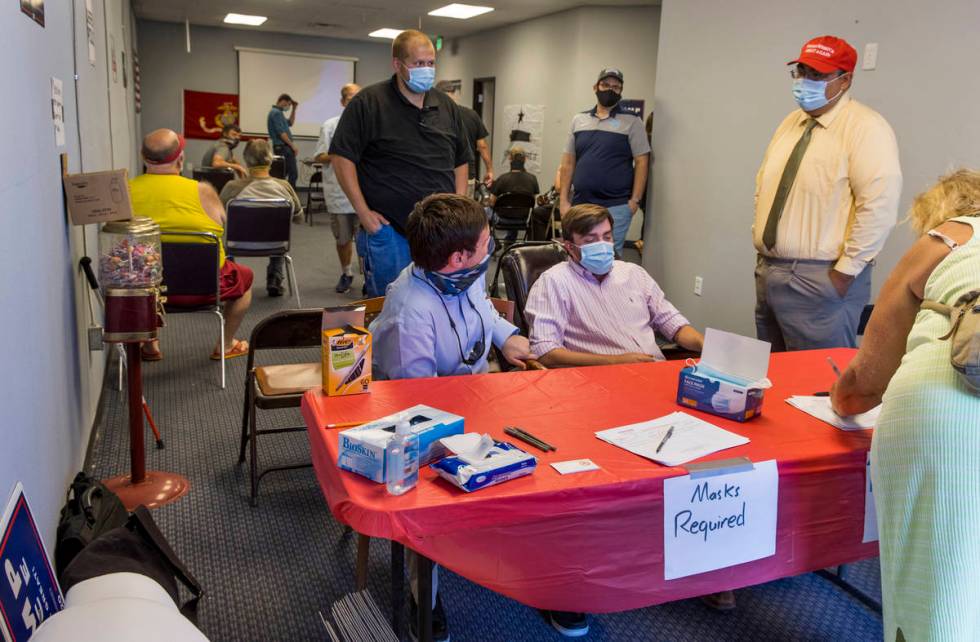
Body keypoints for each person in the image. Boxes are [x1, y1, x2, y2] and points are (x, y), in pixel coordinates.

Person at [370, 194, 531, 642]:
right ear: (458, 256)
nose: (490, 249)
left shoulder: (461, 274)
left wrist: (508, 335)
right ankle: (427, 594)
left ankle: (543, 572)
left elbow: (482, 311)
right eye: (485, 243)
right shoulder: (410, 311)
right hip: (419, 418)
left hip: (474, 397)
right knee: (433, 502)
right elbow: (417, 406)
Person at [830, 169, 980, 641]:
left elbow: (865, 383)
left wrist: (841, 397)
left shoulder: (948, 238)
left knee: (934, 576)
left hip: (946, 409)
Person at [753, 35, 902, 351]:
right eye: (802, 71)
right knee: (771, 376)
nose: (805, 81)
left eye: (818, 75)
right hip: (770, 271)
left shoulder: (866, 128)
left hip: (822, 278)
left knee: (813, 386)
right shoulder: (791, 123)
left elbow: (878, 207)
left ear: (845, 80)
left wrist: (845, 273)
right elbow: (765, 186)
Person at [329, 29, 471, 297]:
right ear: (398, 64)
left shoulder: (446, 106)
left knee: (439, 305)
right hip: (390, 231)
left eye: (430, 63)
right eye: (418, 64)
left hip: (440, 232)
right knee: (388, 309)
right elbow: (341, 156)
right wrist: (363, 213)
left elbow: (461, 159)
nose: (426, 70)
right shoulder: (368, 102)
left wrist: (458, 206)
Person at [526, 204, 704, 369]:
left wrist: (707, 347)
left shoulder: (634, 273)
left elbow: (672, 323)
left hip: (654, 371)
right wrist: (615, 361)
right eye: (591, 240)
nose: (602, 245)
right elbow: (545, 352)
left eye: (607, 237)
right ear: (570, 247)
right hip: (600, 380)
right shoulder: (554, 282)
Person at [129, 129, 252, 360]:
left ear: (143, 157)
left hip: (149, 290)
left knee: (137, 267)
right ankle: (225, 345)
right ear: (180, 158)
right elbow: (221, 223)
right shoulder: (202, 191)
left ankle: (148, 344)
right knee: (245, 282)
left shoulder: (125, 192)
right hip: (206, 288)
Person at [559, 68, 650, 256]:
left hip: (616, 205)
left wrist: (634, 201)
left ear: (621, 91)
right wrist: (563, 201)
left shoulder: (633, 122)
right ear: (596, 87)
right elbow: (568, 163)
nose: (610, 90)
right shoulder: (579, 120)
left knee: (609, 257)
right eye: (606, 85)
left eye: (616, 87)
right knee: (578, 254)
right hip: (580, 203)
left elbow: (642, 162)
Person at [219, 139, 304, 297]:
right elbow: (299, 218)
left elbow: (217, 218)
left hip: (237, 244)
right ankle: (275, 279)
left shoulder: (232, 187)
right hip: (276, 245)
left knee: (221, 242)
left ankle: (231, 281)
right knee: (278, 230)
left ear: (246, 159)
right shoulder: (285, 187)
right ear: (270, 159)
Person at [314, 83, 362, 294]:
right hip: (339, 192)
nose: (355, 102)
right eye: (351, 98)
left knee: (366, 241)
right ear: (343, 102)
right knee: (343, 238)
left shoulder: (369, 125)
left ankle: (369, 276)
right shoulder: (330, 125)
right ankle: (347, 272)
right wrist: (339, 155)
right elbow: (319, 156)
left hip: (366, 194)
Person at [435, 79, 492, 193]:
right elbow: (482, 146)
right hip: (467, 176)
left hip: (441, 175)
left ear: (437, 94)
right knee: (464, 210)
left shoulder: (434, 114)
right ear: (454, 93)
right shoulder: (471, 114)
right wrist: (489, 170)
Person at [267, 93, 299, 188]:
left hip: (282, 147)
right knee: (293, 173)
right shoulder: (276, 113)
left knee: (282, 174)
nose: (288, 107)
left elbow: (290, 123)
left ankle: (282, 195)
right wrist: (293, 146)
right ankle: (291, 198)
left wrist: (294, 109)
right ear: (283, 101)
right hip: (283, 147)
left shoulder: (278, 113)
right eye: (289, 104)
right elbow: (281, 133)